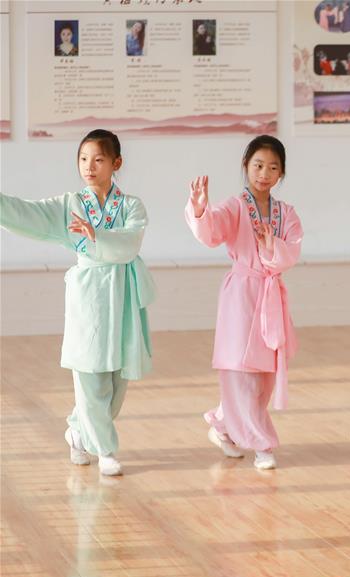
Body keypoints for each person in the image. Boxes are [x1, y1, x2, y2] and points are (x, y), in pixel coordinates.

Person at [0, 129, 155, 476]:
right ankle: (107, 451)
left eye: (98, 159)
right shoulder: (70, 205)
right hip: (89, 295)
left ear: (116, 163)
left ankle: (77, 432)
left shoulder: (131, 206)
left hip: (123, 294)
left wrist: (97, 235)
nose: (89, 166)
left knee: (117, 382)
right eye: (83, 159)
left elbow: (130, 243)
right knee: (90, 375)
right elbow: (27, 213)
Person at [185, 136, 303, 470]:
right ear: (246, 167)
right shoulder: (234, 206)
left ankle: (223, 425)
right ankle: (261, 444)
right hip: (240, 293)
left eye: (273, 167)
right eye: (258, 165)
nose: (265, 173)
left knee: (263, 376)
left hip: (270, 295)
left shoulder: (287, 212)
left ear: (281, 172)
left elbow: (292, 250)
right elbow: (212, 232)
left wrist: (272, 246)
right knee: (240, 371)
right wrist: (199, 209)